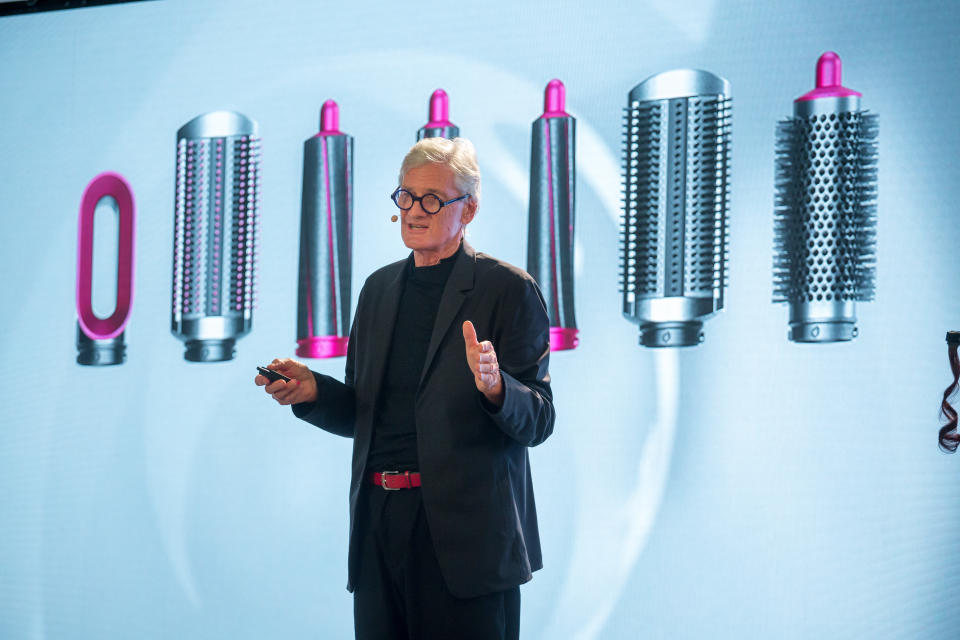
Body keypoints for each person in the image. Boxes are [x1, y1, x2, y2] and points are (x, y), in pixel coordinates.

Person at [255, 137, 555, 639]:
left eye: (433, 199)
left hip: (466, 542)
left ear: (470, 209)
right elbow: (364, 412)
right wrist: (314, 393)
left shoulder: (507, 289)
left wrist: (496, 387)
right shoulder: (378, 290)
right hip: (379, 525)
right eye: (407, 196)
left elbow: (541, 419)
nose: (415, 211)